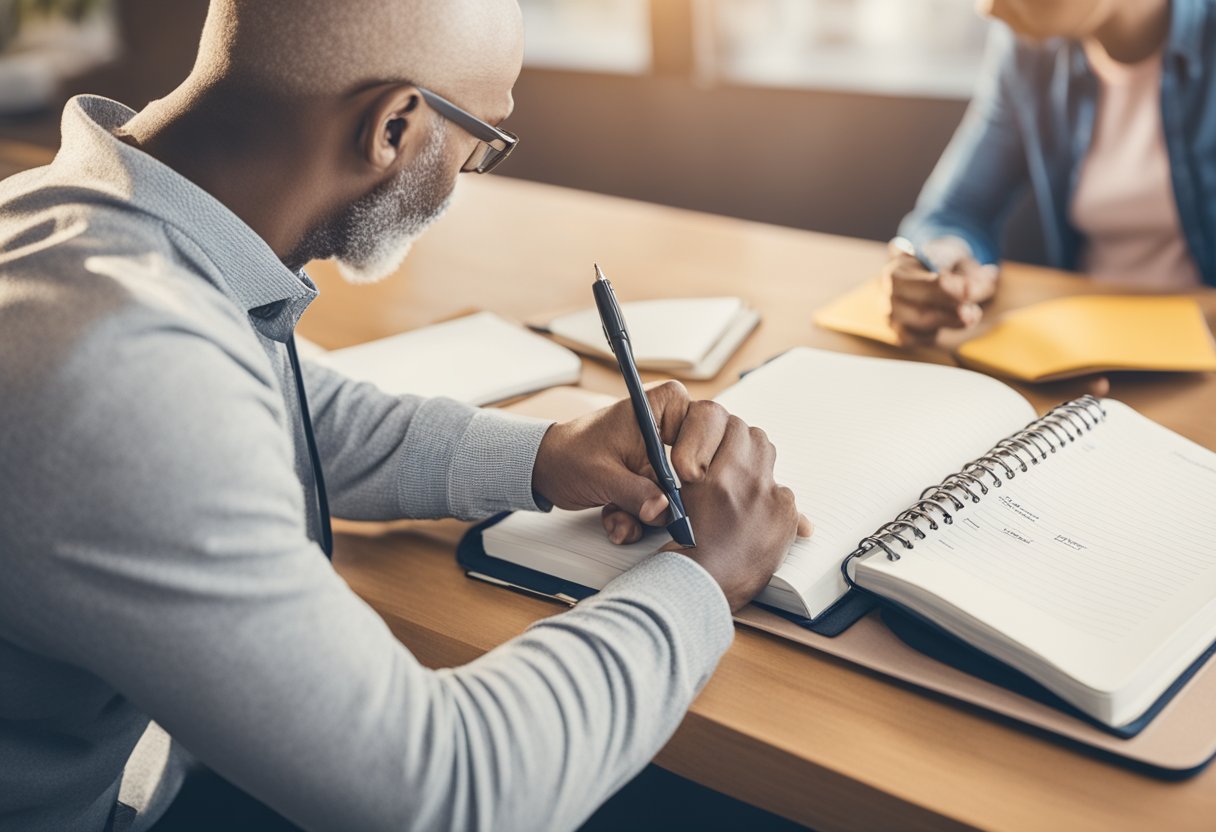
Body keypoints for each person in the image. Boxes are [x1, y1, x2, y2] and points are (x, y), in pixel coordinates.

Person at [0, 1, 813, 830]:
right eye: (481, 143)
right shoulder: (121, 367)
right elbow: (448, 792)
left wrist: (547, 455)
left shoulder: (74, 220)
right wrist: (704, 579)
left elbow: (289, 406)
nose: (467, 175)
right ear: (393, 126)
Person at [886, 0, 1216, 345]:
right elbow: (955, 213)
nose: (986, 9)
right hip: (1087, 346)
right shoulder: (1028, 53)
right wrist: (942, 262)